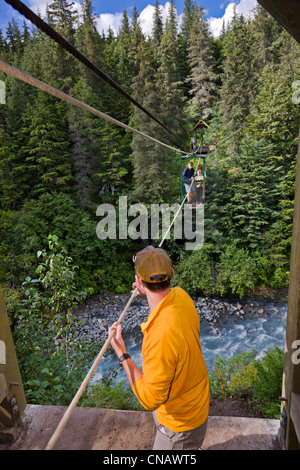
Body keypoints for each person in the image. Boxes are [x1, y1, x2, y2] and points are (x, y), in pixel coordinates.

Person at [108, 246, 209, 450]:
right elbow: (163, 305)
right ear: (171, 274)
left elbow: (150, 400)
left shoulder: (159, 336)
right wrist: (145, 291)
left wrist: (122, 354)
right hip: (195, 404)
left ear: (138, 281)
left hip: (179, 427)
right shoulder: (181, 297)